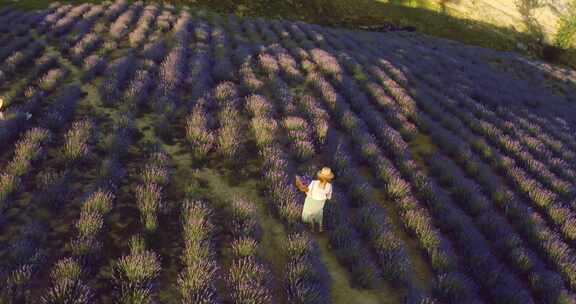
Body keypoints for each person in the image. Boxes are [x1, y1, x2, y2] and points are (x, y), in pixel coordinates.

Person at [295, 167, 334, 232]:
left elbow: (308, 191)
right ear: (328, 179)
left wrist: (303, 188)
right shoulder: (329, 186)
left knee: (308, 212)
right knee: (319, 213)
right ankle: (320, 227)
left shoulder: (314, 182)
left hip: (311, 201)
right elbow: (329, 197)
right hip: (320, 204)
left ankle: (312, 227)